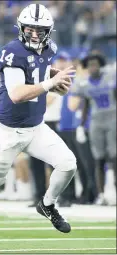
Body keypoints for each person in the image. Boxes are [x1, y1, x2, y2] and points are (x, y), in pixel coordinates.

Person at [0, 4, 77, 251]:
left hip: (36, 127)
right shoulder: (12, 52)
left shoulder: (49, 48)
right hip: (8, 132)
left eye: (40, 30)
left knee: (68, 164)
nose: (34, 34)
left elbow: (41, 68)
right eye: (30, 29)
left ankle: (47, 204)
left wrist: (56, 77)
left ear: (49, 31)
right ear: (21, 28)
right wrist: (49, 83)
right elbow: (16, 94)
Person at [69, 52, 116, 205]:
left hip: (112, 119)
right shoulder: (84, 83)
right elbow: (85, 105)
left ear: (100, 65)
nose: (92, 67)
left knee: (114, 156)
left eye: (95, 64)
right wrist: (81, 126)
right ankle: (101, 194)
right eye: (90, 65)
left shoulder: (110, 78)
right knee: (99, 158)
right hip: (96, 122)